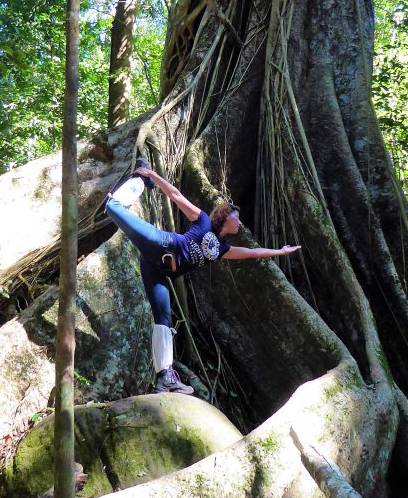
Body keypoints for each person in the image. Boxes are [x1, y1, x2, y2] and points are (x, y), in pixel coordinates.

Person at [105, 158, 301, 395]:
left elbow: (252, 253)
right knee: (113, 206)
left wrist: (280, 251)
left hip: (157, 268)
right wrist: (154, 176)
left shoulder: (222, 250)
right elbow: (176, 196)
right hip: (162, 244)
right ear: (226, 217)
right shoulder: (204, 222)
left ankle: (165, 377)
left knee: (163, 318)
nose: (239, 222)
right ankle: (142, 176)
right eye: (236, 218)